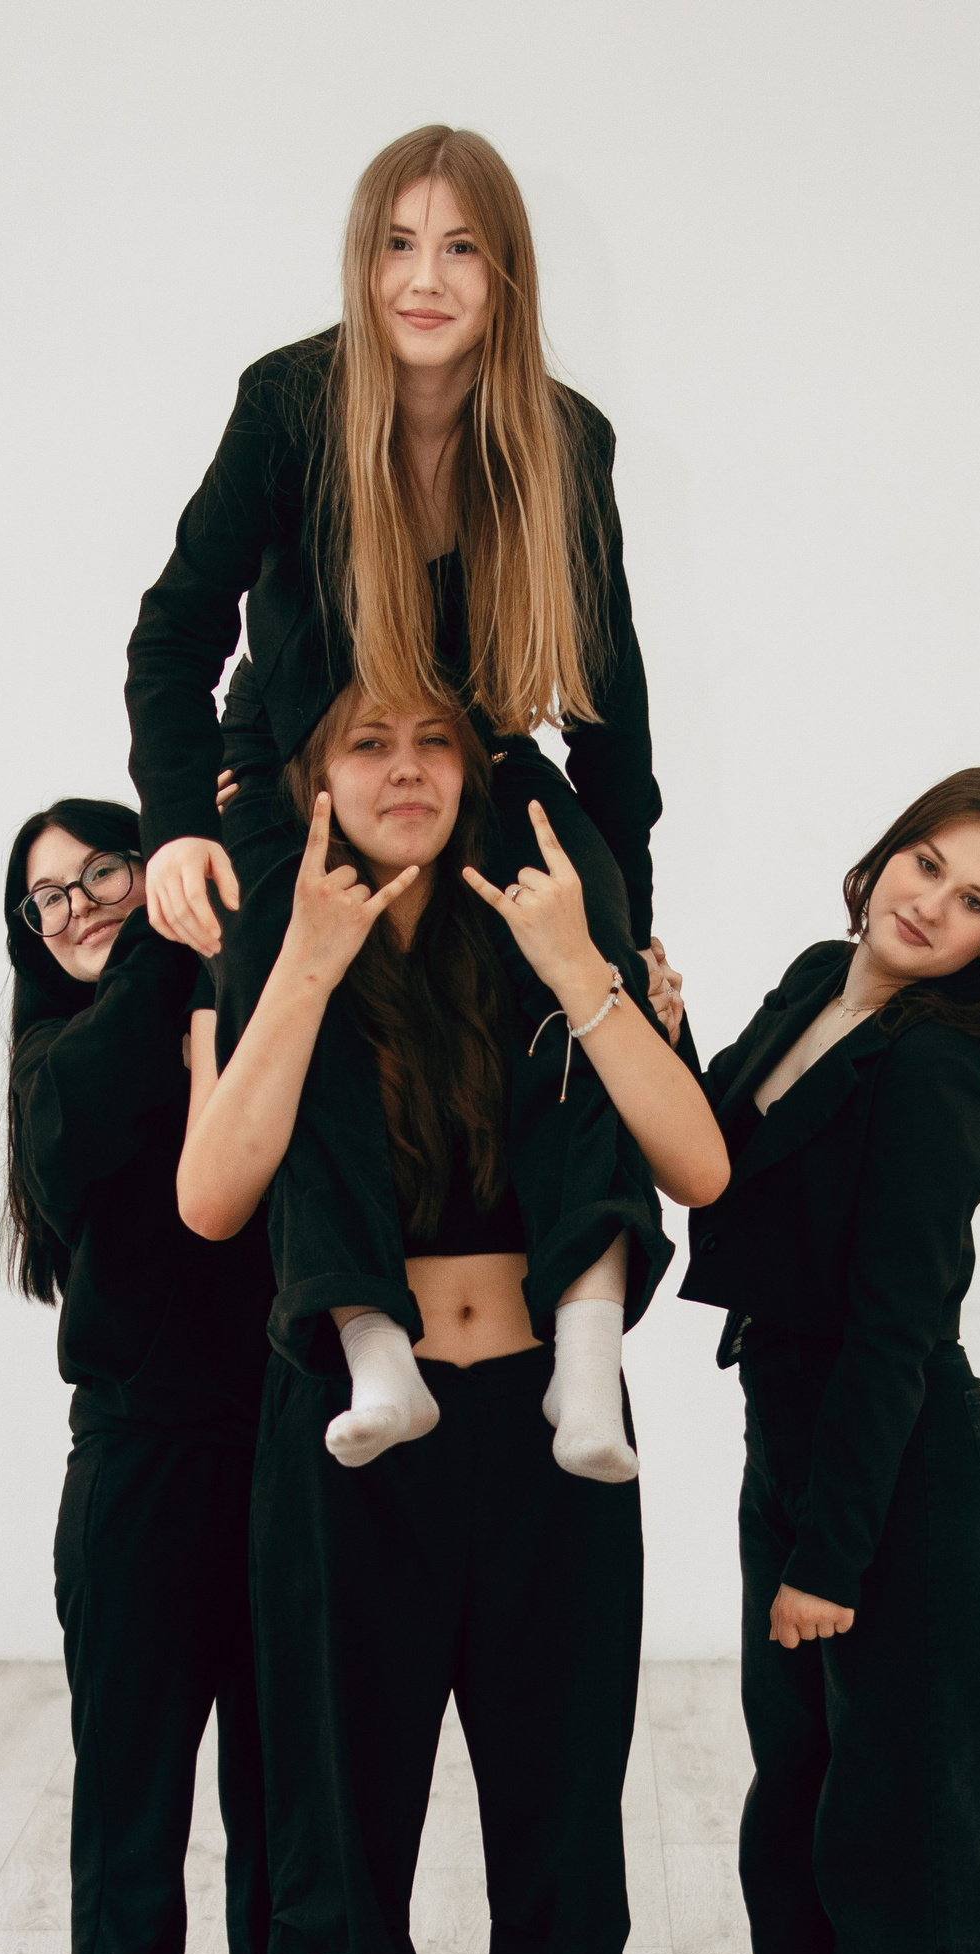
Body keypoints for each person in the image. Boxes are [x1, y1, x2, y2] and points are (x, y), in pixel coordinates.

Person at [178, 683, 729, 1954]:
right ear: (316, 773)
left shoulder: (545, 898)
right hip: (354, 1447)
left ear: (476, 759)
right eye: (367, 743)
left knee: (561, 1838)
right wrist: (301, 966)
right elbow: (212, 1198)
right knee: (338, 1838)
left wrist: (589, 975)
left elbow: (700, 1167)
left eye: (432, 741)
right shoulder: (283, 927)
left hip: (554, 1437)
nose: (404, 769)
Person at [128, 122, 671, 1472]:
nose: (424, 280)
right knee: (286, 966)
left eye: (462, 249)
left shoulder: (563, 441)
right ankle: (368, 1336)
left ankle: (588, 1340)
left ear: (506, 276)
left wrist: (629, 927)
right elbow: (175, 631)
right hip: (297, 770)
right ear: (363, 263)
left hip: (471, 763)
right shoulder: (290, 406)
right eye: (398, 245)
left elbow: (611, 712)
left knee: (586, 939)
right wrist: (179, 823)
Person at [3, 802, 415, 1954]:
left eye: (101, 872)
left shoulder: (235, 1009)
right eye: (46, 898)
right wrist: (173, 941)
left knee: (287, 1797)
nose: (77, 906)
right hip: (138, 1470)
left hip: (285, 1445)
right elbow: (124, 1131)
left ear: (153, 865)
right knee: (133, 1810)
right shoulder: (64, 1064)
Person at [680, 767, 980, 1954]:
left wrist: (830, 1557)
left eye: (974, 903)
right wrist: (657, 1029)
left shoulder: (935, 1070)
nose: (930, 905)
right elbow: (719, 1160)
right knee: (799, 1816)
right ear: (884, 855)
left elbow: (900, 1329)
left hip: (898, 1484)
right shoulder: (814, 982)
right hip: (794, 1444)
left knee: (902, 1835)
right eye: (926, 863)